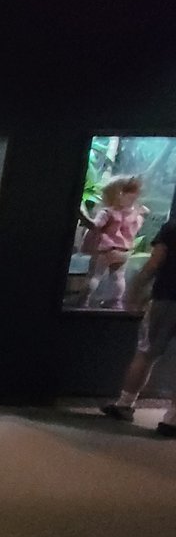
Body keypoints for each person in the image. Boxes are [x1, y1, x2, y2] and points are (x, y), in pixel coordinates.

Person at [101, 216, 176, 437]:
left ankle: (125, 403)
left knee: (146, 352)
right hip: (166, 298)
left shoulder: (172, 228)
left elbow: (154, 262)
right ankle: (172, 419)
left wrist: (134, 290)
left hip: (165, 298)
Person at [82, 176, 146, 308]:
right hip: (124, 251)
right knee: (118, 277)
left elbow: (95, 225)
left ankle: (83, 300)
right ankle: (115, 302)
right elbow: (136, 229)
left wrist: (82, 215)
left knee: (95, 275)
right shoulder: (136, 216)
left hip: (106, 249)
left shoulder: (107, 212)